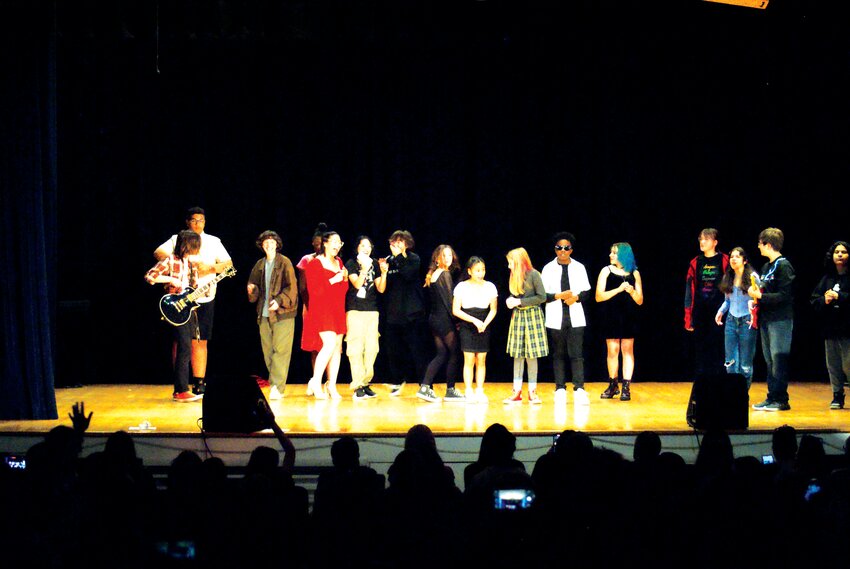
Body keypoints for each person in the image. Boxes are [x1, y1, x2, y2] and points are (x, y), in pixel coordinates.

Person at [154, 207, 233, 395]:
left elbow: (228, 264)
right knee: (180, 341)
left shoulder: (213, 241)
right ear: (187, 222)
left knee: (201, 340)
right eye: (194, 220)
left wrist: (210, 268)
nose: (198, 224)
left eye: (201, 220)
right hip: (181, 297)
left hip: (204, 296)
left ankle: (199, 382)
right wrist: (178, 265)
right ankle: (180, 384)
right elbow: (158, 253)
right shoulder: (177, 239)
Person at [146, 229, 204, 401]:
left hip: (187, 310)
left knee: (187, 347)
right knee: (184, 347)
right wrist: (170, 279)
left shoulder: (192, 264)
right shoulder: (171, 259)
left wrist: (198, 292)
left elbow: (192, 287)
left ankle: (182, 389)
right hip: (174, 309)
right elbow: (150, 276)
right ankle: (180, 390)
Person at [541, 231, 592, 405]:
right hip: (556, 315)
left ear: (571, 249)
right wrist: (559, 296)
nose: (562, 251)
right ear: (555, 249)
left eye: (566, 248)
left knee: (576, 354)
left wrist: (575, 298)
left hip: (575, 315)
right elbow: (542, 295)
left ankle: (579, 388)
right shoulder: (548, 268)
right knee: (558, 353)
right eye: (559, 248)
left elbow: (587, 292)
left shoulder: (579, 267)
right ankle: (560, 388)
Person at [246, 230, 298, 400]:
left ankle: (277, 387)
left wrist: (280, 301)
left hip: (283, 313)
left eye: (272, 242)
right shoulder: (259, 264)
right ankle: (275, 383)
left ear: (277, 244)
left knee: (281, 351)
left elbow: (292, 288)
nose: (269, 245)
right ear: (262, 245)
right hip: (264, 314)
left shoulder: (285, 262)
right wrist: (251, 290)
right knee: (268, 351)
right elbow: (253, 287)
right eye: (266, 243)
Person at [749, 227, 795, 411]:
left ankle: (781, 399)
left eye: (760, 244)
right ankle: (771, 396)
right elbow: (764, 291)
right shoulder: (766, 267)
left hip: (781, 320)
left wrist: (760, 297)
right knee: (769, 360)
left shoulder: (784, 265)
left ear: (768, 244)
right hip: (767, 319)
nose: (758, 247)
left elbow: (785, 295)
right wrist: (755, 297)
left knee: (779, 359)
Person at [380, 230, 430, 397]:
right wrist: (384, 271)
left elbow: (409, 275)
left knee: (417, 351)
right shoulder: (389, 261)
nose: (395, 245)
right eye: (393, 242)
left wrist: (398, 257)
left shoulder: (413, 258)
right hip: (394, 314)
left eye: (399, 242)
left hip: (412, 313)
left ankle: (424, 384)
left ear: (407, 244)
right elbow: (384, 288)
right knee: (393, 350)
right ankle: (397, 381)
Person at [595, 242, 644, 401]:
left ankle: (626, 386)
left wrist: (631, 291)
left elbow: (640, 300)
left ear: (623, 255)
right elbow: (599, 296)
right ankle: (613, 383)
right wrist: (618, 289)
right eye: (611, 253)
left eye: (614, 253)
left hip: (628, 316)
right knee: (612, 350)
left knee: (628, 349)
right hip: (611, 315)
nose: (611, 255)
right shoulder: (606, 271)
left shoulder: (634, 273)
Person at [303, 231, 348, 399]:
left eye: (340, 242)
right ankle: (315, 381)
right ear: (326, 243)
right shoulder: (315, 263)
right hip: (322, 309)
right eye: (334, 241)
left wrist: (343, 280)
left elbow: (343, 290)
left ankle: (332, 385)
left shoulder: (339, 262)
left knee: (337, 347)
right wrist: (333, 280)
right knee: (328, 344)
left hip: (337, 309)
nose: (337, 245)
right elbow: (314, 291)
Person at [344, 236, 387, 400]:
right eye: (363, 245)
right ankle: (357, 385)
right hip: (355, 310)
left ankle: (365, 382)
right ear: (357, 248)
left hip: (372, 310)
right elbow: (356, 284)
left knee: (372, 348)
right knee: (355, 348)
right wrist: (363, 268)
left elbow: (381, 289)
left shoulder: (375, 263)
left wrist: (383, 274)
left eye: (369, 246)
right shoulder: (351, 263)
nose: (366, 248)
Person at [504, 247, 548, 404]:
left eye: (510, 262)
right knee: (518, 355)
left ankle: (532, 391)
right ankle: (516, 391)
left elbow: (542, 297)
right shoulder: (514, 275)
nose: (509, 266)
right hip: (518, 317)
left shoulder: (534, 274)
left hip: (532, 316)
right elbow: (516, 294)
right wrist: (511, 300)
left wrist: (520, 302)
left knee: (531, 355)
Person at [422, 244, 465, 402]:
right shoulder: (444, 274)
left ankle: (425, 387)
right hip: (443, 320)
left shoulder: (433, 274)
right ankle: (450, 390)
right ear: (437, 258)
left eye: (449, 255)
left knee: (441, 354)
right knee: (454, 353)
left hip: (434, 319)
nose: (448, 258)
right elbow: (449, 302)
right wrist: (457, 321)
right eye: (444, 255)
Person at [684, 228, 730, 378]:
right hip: (700, 312)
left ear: (715, 242)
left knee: (717, 348)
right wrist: (688, 317)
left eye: (706, 239)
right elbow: (689, 291)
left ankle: (718, 381)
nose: (702, 242)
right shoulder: (695, 262)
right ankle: (702, 384)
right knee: (701, 350)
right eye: (700, 239)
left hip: (719, 312)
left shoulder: (725, 260)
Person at [810, 240, 850, 409]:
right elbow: (814, 299)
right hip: (830, 328)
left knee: (848, 364)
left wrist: (839, 297)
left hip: (847, 328)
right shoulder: (827, 278)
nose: (839, 254)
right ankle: (837, 395)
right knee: (833, 364)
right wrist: (824, 300)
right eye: (836, 252)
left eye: (843, 252)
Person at [452, 256, 498, 402]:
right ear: (469, 271)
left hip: (484, 323)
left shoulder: (490, 286)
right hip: (468, 324)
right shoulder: (461, 286)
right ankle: (469, 390)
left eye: (483, 270)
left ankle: (479, 390)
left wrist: (485, 323)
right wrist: (474, 321)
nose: (481, 273)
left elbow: (493, 309)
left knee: (482, 359)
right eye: (477, 270)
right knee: (469, 359)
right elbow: (456, 310)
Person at [714, 247, 759, 388]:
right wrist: (720, 311)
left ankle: (743, 395)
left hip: (747, 321)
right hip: (731, 321)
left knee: (745, 363)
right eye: (732, 256)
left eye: (737, 257)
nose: (733, 259)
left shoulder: (753, 277)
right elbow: (727, 300)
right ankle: (733, 394)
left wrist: (754, 315)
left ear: (744, 260)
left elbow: (758, 300)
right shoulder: (728, 277)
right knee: (730, 362)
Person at [297, 223, 327, 378]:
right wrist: (311, 307)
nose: (318, 247)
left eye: (321, 244)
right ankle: (316, 379)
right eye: (316, 244)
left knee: (329, 345)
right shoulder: (306, 260)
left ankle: (330, 381)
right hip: (311, 307)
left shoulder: (333, 260)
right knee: (315, 346)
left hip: (328, 307)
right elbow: (302, 288)